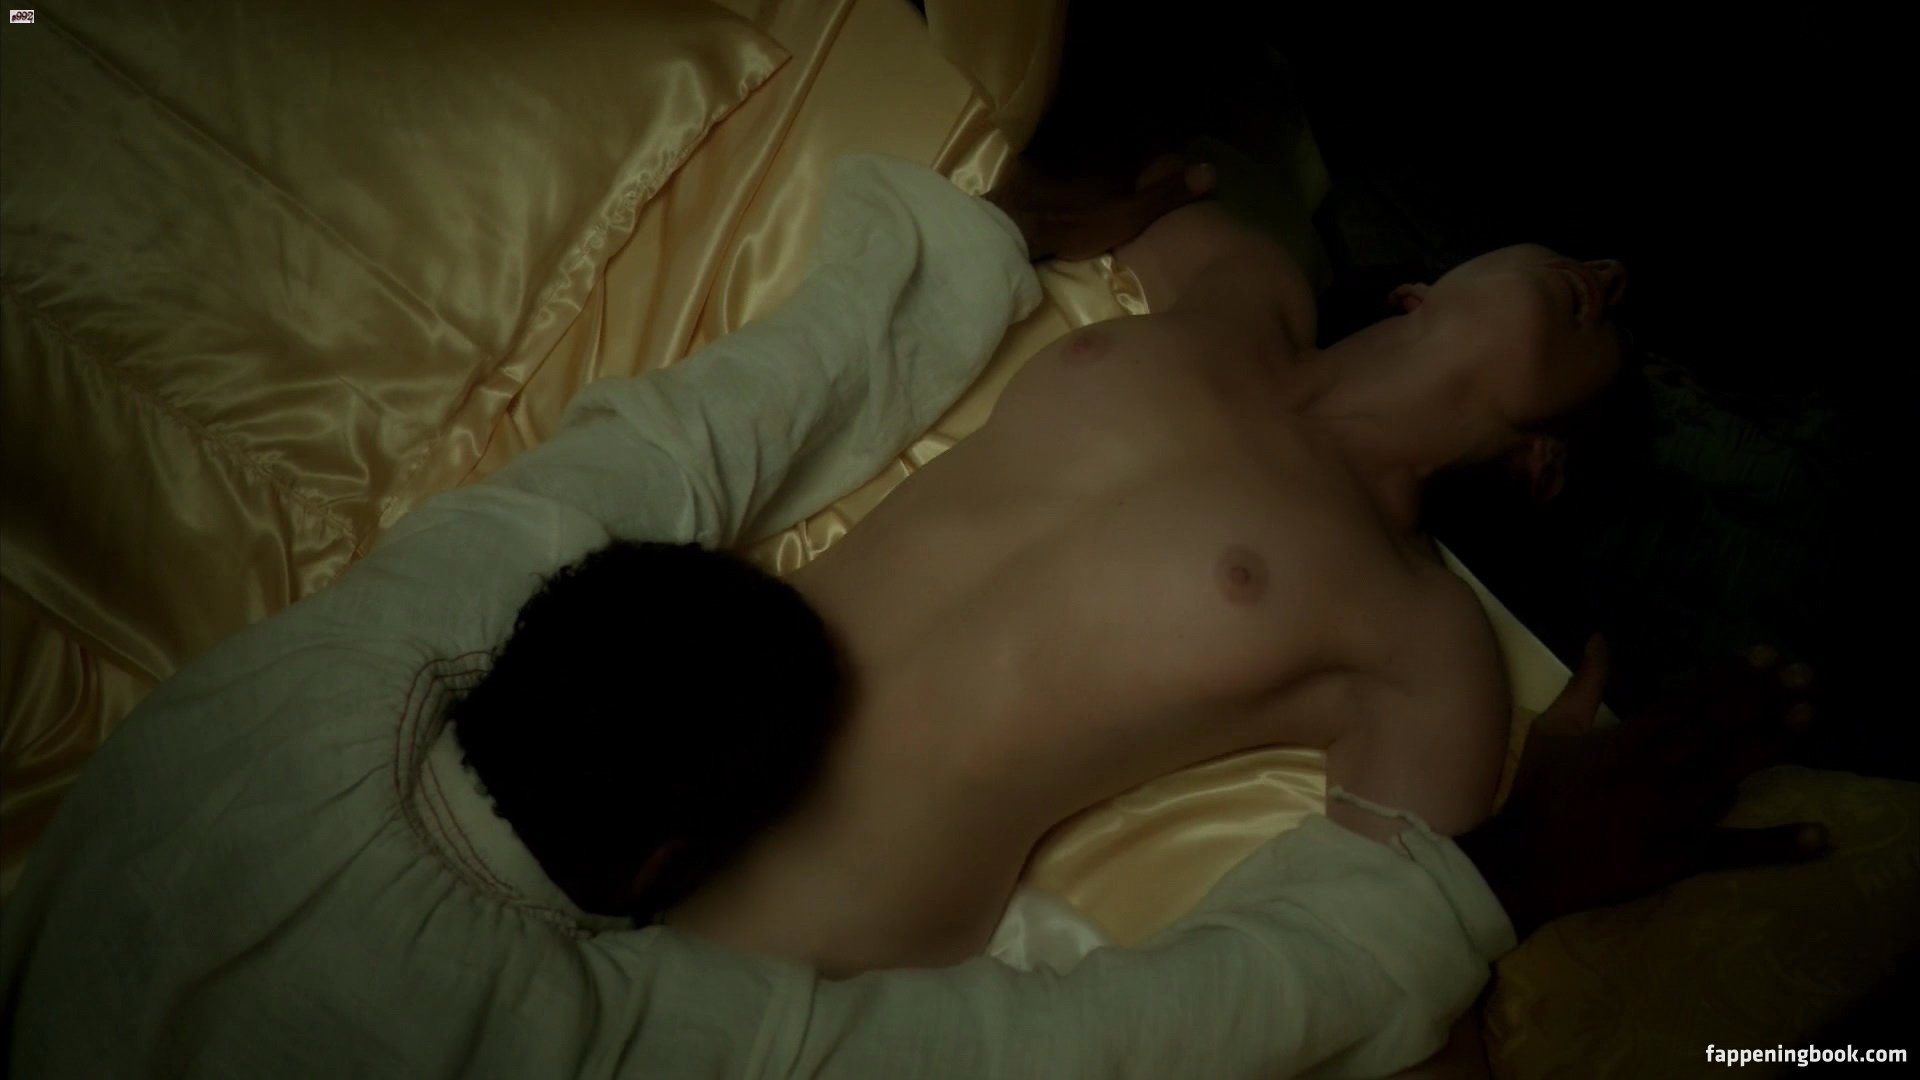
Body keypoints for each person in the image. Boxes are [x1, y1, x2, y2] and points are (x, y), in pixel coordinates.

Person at [0, 153, 1822, 1079]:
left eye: (1614, 323)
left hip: (819, 907)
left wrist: (1496, 872)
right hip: (634, 806)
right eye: (1581, 263)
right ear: (1416, 285)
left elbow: (1218, 988)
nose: (1609, 272)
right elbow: (664, 451)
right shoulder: (1230, 274)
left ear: (1542, 471)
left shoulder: (1425, 640)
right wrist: (982, 230)